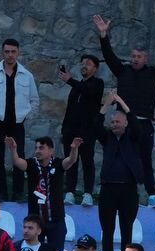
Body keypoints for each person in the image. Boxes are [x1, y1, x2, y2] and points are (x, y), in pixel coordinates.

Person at [92, 15, 155, 208]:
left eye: (139, 57)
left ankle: (151, 196)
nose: (135, 59)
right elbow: (109, 56)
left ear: (145, 58)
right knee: (119, 158)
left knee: (145, 160)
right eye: (133, 56)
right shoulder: (122, 71)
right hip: (123, 126)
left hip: (143, 124)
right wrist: (103, 35)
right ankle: (116, 194)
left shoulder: (154, 74)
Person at [0, 38, 39, 202]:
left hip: (17, 122)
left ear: (18, 53)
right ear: (2, 53)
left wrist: (26, 116)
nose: (10, 55)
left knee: (19, 157)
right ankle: (2, 193)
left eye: (13, 51)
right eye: (7, 51)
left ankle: (18, 193)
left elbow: (34, 100)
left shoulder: (27, 76)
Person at [97, 96, 145, 251]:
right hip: (108, 189)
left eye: (118, 121)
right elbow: (96, 125)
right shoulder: (106, 138)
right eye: (112, 122)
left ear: (125, 123)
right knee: (107, 229)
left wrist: (122, 103)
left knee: (126, 230)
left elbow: (136, 124)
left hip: (128, 189)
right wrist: (106, 104)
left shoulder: (133, 137)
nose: (115, 124)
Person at [8, 135, 80, 249]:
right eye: (36, 148)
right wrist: (13, 149)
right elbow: (17, 162)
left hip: (56, 220)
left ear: (51, 150)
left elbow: (71, 160)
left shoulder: (58, 163)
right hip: (35, 221)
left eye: (41, 148)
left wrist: (74, 148)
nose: (37, 151)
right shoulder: (31, 163)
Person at [59, 55, 104, 206]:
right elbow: (69, 110)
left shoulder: (97, 83)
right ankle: (70, 192)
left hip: (87, 131)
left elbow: (88, 90)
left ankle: (88, 193)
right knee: (70, 161)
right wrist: (64, 129)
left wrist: (70, 80)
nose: (84, 66)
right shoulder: (76, 87)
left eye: (88, 64)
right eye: (83, 63)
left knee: (87, 161)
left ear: (95, 68)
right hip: (70, 131)